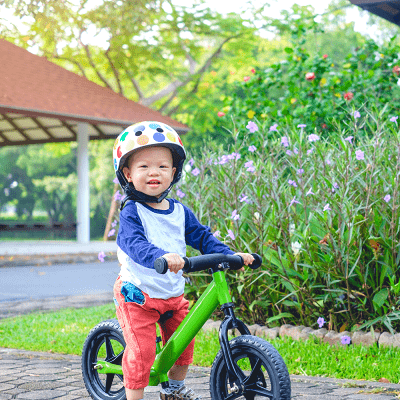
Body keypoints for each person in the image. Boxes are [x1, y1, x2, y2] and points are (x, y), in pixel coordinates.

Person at [112, 121, 254, 400]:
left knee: (183, 345)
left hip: (171, 293)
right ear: (128, 174)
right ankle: (134, 396)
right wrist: (160, 256)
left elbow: (202, 238)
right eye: (144, 167)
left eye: (163, 167)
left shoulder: (180, 212)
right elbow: (134, 244)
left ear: (173, 173)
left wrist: (231, 255)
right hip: (137, 293)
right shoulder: (132, 212)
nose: (154, 172)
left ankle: (173, 390)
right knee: (142, 351)